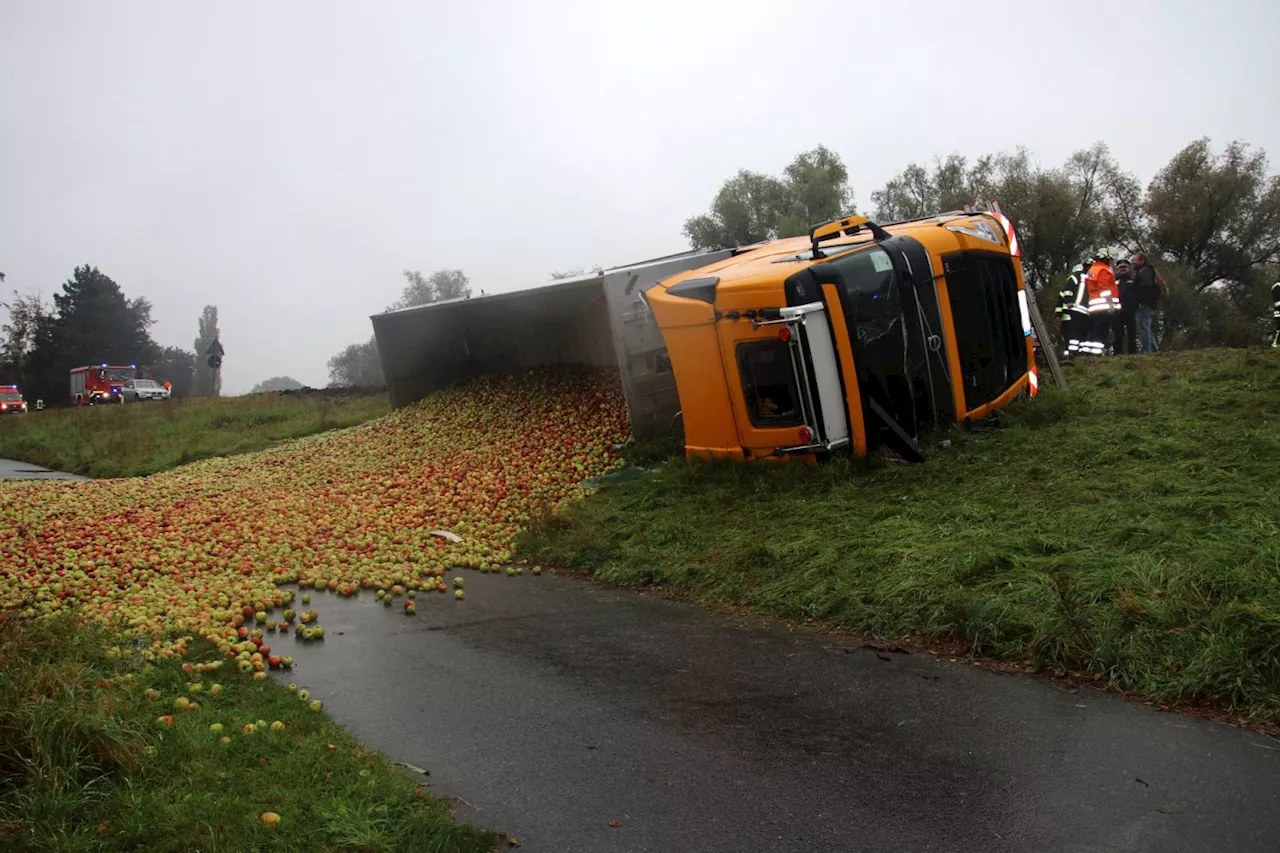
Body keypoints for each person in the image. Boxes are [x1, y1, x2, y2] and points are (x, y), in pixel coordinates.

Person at [1082, 248, 1119, 355]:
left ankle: (1087, 354)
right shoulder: (1103, 270)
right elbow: (1104, 287)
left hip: (1094, 305)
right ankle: (1096, 354)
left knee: (1092, 330)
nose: (1111, 262)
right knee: (1101, 331)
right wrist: (1110, 303)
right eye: (1110, 259)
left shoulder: (1093, 269)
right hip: (1104, 306)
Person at [1132, 252, 1163, 353]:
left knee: (1143, 328)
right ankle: (1154, 350)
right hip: (1149, 303)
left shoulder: (1144, 271)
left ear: (1142, 261)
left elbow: (1145, 287)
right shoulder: (1147, 270)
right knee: (1147, 327)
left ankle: (1147, 351)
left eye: (1135, 260)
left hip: (1144, 304)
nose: (1133, 262)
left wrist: (1140, 300)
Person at [1057, 264, 1089, 359]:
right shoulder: (1073, 282)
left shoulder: (1079, 284)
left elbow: (1059, 305)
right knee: (1072, 337)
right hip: (1069, 317)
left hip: (1070, 316)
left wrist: (1058, 316)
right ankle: (1069, 356)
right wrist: (1058, 315)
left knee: (1074, 337)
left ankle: (1072, 356)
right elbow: (1059, 304)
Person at [1111, 258, 1137, 355]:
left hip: (1131, 310)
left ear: (1129, 268)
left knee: (1132, 333)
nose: (1123, 269)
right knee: (1118, 333)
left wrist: (1134, 306)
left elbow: (1137, 294)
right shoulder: (1114, 280)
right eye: (1121, 267)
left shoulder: (1133, 279)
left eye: (1125, 267)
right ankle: (1117, 353)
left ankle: (1132, 352)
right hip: (1117, 311)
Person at [1271, 280, 1279, 348]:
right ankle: (1275, 342)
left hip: (1277, 309)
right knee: (1279, 326)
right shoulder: (1277, 286)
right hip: (1278, 309)